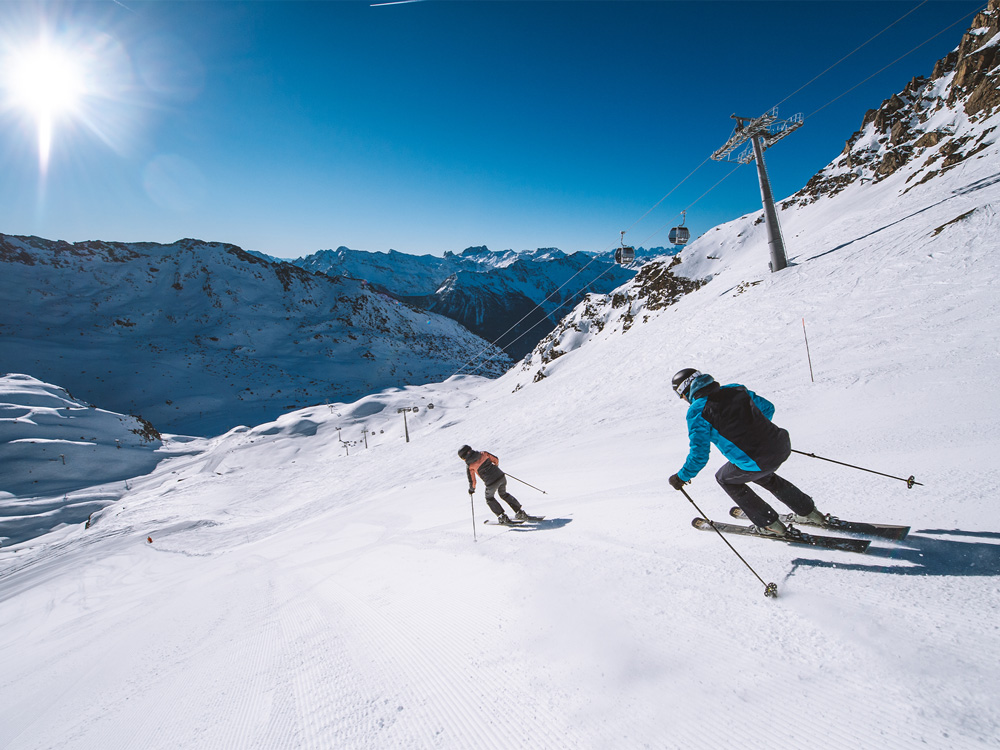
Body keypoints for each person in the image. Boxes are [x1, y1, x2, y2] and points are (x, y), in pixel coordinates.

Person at [667, 368, 827, 537]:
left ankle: (769, 524)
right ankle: (810, 512)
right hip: (780, 445)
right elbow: (768, 408)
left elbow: (699, 455)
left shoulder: (697, 411)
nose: (683, 399)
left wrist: (681, 477)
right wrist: (756, 434)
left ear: (686, 390)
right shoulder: (736, 389)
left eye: (681, 395)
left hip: (755, 458)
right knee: (762, 473)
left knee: (725, 478)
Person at [458, 445, 531, 525]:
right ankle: (520, 512)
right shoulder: (483, 453)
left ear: (464, 456)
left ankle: (502, 517)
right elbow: (495, 460)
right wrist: (495, 469)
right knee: (504, 494)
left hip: (491, 483)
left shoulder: (470, 466)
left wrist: (471, 490)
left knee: (489, 498)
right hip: (501, 476)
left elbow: (472, 481)